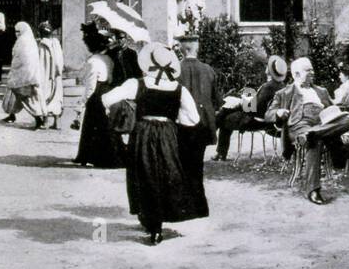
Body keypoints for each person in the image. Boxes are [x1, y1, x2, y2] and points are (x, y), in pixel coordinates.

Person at [103, 43, 205, 245]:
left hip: (143, 132)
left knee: (144, 174)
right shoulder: (179, 89)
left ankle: (151, 221)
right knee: (165, 174)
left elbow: (107, 99)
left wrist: (125, 108)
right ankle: (158, 224)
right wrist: (174, 120)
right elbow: (192, 119)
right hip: (168, 134)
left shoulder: (137, 84)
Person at [271, 57, 349, 205]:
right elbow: (269, 113)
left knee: (348, 120)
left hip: (322, 123)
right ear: (296, 74)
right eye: (309, 70)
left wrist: (336, 112)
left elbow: (332, 108)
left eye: (312, 69)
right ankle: (312, 190)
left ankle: (312, 134)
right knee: (315, 141)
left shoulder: (321, 90)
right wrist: (279, 112)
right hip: (300, 124)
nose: (313, 72)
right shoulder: (284, 93)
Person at [176, 34, 221, 207]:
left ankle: (185, 200)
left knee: (183, 161)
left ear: (182, 49)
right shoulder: (208, 70)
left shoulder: (177, 70)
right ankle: (198, 201)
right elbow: (217, 99)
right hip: (204, 123)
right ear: (196, 48)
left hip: (183, 122)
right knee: (197, 163)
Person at [214, 55, 288, 161]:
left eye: (268, 66)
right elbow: (262, 104)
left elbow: (255, 108)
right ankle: (215, 132)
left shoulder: (268, 86)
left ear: (270, 71)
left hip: (256, 121)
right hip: (269, 121)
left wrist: (241, 103)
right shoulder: (282, 86)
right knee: (228, 108)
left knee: (226, 116)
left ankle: (220, 151)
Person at [73, 23, 123, 167]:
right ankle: (106, 157)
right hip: (107, 90)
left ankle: (90, 156)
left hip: (97, 94)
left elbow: (90, 86)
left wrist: (82, 102)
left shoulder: (92, 61)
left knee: (92, 126)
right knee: (105, 126)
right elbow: (111, 78)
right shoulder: (108, 59)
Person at [3, 21, 45, 126]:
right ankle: (11, 114)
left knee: (25, 97)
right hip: (27, 73)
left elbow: (20, 58)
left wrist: (14, 69)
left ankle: (38, 117)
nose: (16, 33)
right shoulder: (29, 41)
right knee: (13, 93)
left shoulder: (23, 41)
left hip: (23, 73)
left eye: (18, 31)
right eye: (15, 31)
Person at [38, 21, 64, 128]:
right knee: (56, 96)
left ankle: (45, 121)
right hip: (56, 75)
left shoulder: (40, 45)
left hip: (45, 74)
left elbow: (39, 61)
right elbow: (60, 59)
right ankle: (56, 122)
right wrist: (59, 71)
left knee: (45, 95)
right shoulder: (56, 43)